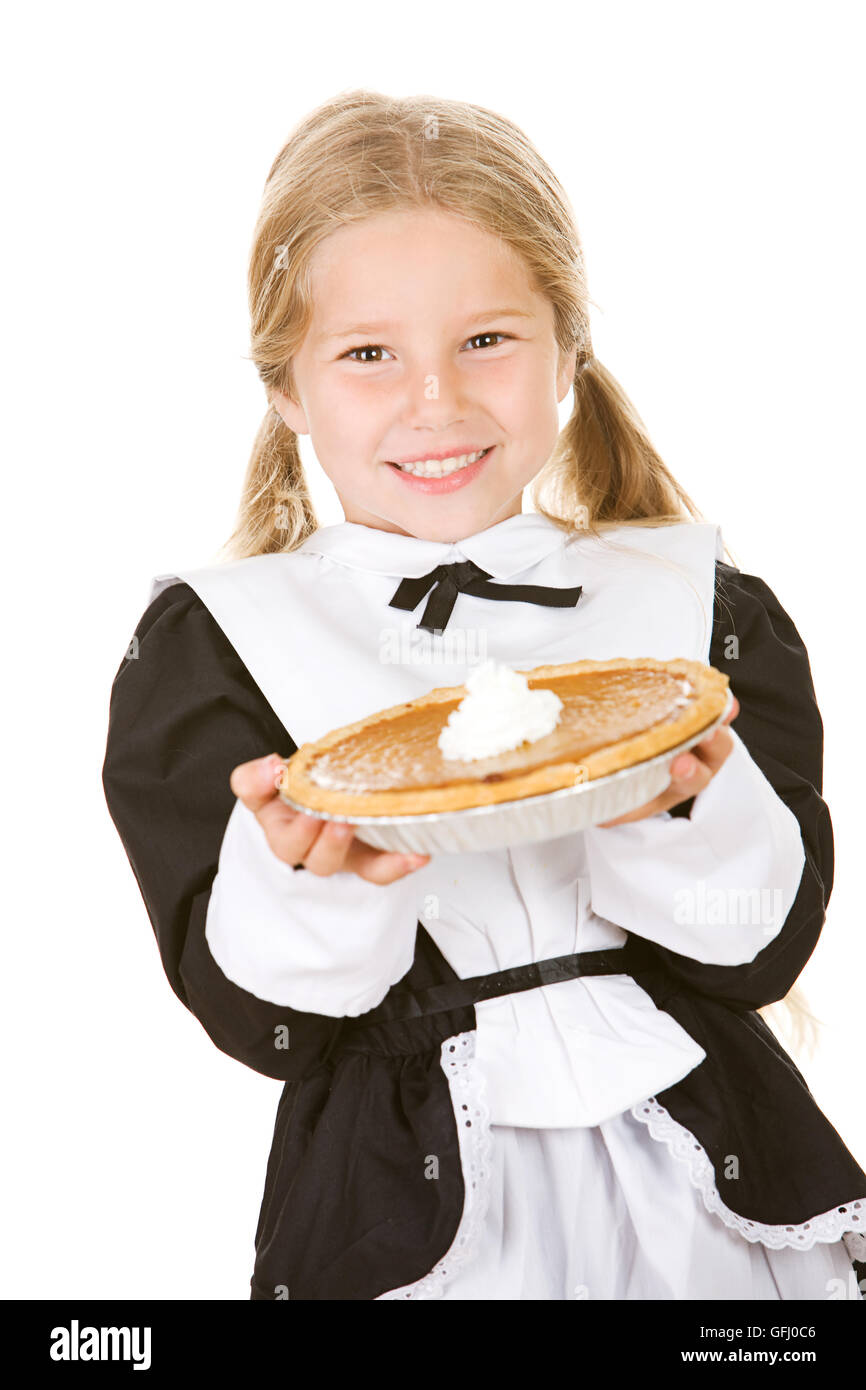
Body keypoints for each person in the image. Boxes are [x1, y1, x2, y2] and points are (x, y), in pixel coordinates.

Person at [101, 89, 866, 1300]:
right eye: (367, 355)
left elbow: (755, 952)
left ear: (565, 349)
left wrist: (670, 808)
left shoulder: (692, 606)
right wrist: (306, 882)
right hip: (408, 1205)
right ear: (286, 390)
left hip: (700, 1183)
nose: (435, 403)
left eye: (486, 341)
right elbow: (260, 1025)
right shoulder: (220, 642)